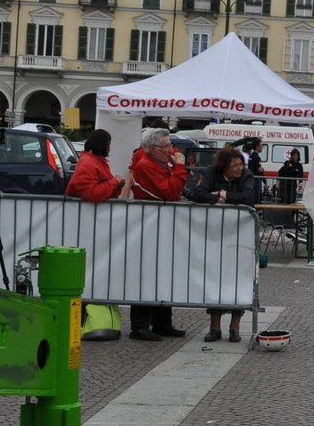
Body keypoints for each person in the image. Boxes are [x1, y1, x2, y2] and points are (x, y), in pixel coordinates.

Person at [127, 126, 190, 341]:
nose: (171, 149)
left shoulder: (160, 163)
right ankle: (140, 325)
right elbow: (170, 192)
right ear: (153, 149)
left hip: (161, 226)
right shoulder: (146, 165)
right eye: (166, 146)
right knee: (146, 275)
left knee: (164, 274)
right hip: (148, 227)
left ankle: (162, 322)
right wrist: (180, 168)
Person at [188, 146, 255, 342]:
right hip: (215, 235)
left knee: (238, 279)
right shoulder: (211, 172)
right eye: (234, 165)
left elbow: (249, 197)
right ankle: (214, 327)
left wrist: (224, 195)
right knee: (214, 278)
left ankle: (235, 327)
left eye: (241, 164)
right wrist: (218, 197)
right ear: (224, 166)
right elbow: (196, 193)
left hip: (240, 236)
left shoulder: (247, 175)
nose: (239, 168)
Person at [65, 128, 125, 202]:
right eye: (109, 144)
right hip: (82, 211)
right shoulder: (88, 163)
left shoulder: (96, 161)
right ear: (104, 145)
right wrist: (115, 182)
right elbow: (93, 194)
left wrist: (117, 186)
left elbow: (105, 193)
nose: (109, 148)